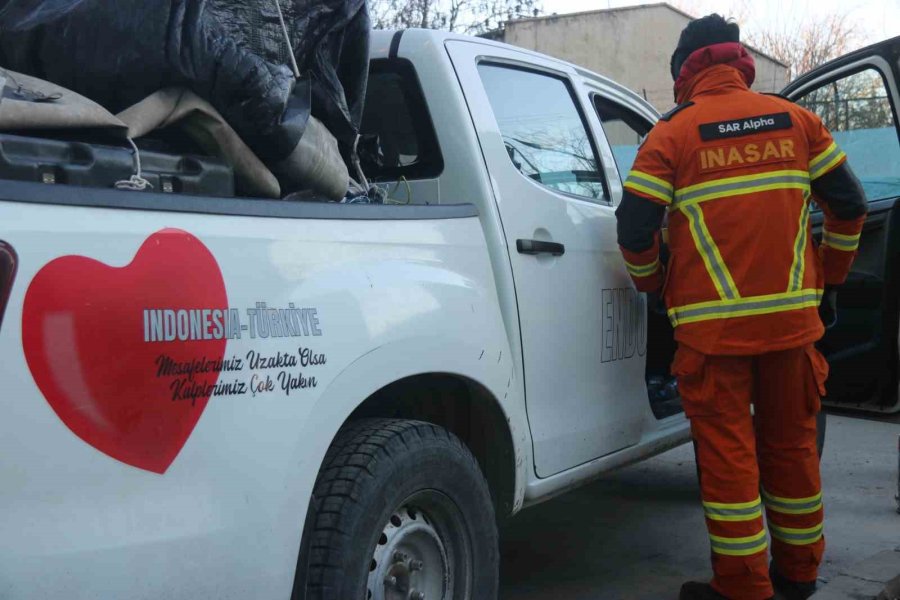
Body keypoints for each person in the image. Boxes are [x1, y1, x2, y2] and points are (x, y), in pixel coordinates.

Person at [615, 14, 867, 600]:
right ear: (740, 62)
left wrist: (652, 284)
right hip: (792, 331)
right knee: (793, 451)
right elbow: (850, 205)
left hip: (713, 340)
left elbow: (633, 228)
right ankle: (799, 576)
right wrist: (829, 279)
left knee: (730, 463)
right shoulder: (798, 121)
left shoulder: (672, 134)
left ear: (684, 72)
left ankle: (742, 589)